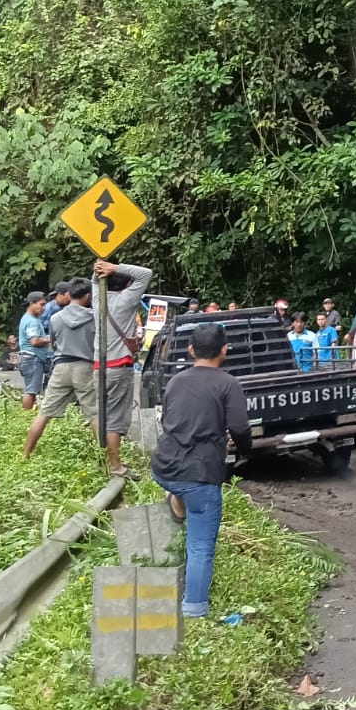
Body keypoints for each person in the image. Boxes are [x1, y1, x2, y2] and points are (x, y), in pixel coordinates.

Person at [151, 322, 253, 618]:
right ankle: (194, 609)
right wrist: (244, 450)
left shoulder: (175, 381)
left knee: (180, 488)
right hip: (200, 475)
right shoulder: (228, 384)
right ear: (225, 350)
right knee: (200, 547)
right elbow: (239, 428)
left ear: (191, 350)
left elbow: (169, 420)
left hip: (163, 467)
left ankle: (176, 500)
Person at [92, 259, 153, 476]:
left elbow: (95, 280)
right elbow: (146, 273)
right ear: (127, 284)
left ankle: (107, 459)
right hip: (119, 366)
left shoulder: (97, 298)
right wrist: (115, 268)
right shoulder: (126, 299)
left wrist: (102, 267)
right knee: (115, 419)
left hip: (99, 366)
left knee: (103, 414)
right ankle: (115, 465)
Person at [25, 279, 96, 460]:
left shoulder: (55, 318)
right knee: (94, 414)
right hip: (85, 366)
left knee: (44, 413)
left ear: (69, 294)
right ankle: (108, 459)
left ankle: (26, 454)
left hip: (61, 366)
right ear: (88, 296)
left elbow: (53, 342)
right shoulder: (94, 317)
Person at [16, 291, 54, 411]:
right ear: (32, 303)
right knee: (31, 390)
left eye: (45, 305)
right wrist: (51, 339)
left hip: (31, 358)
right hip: (32, 358)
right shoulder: (32, 321)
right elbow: (34, 341)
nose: (44, 308)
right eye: (41, 304)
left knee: (32, 389)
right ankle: (26, 414)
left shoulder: (29, 318)